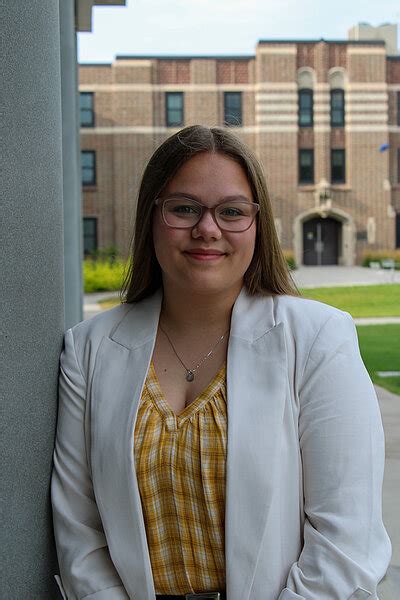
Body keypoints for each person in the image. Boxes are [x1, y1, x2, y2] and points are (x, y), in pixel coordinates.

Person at [51, 125, 391, 600]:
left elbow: (346, 540)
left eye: (231, 211)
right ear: (152, 216)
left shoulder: (317, 339)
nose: (206, 228)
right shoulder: (87, 350)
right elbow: (79, 531)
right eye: (184, 208)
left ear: (257, 223)